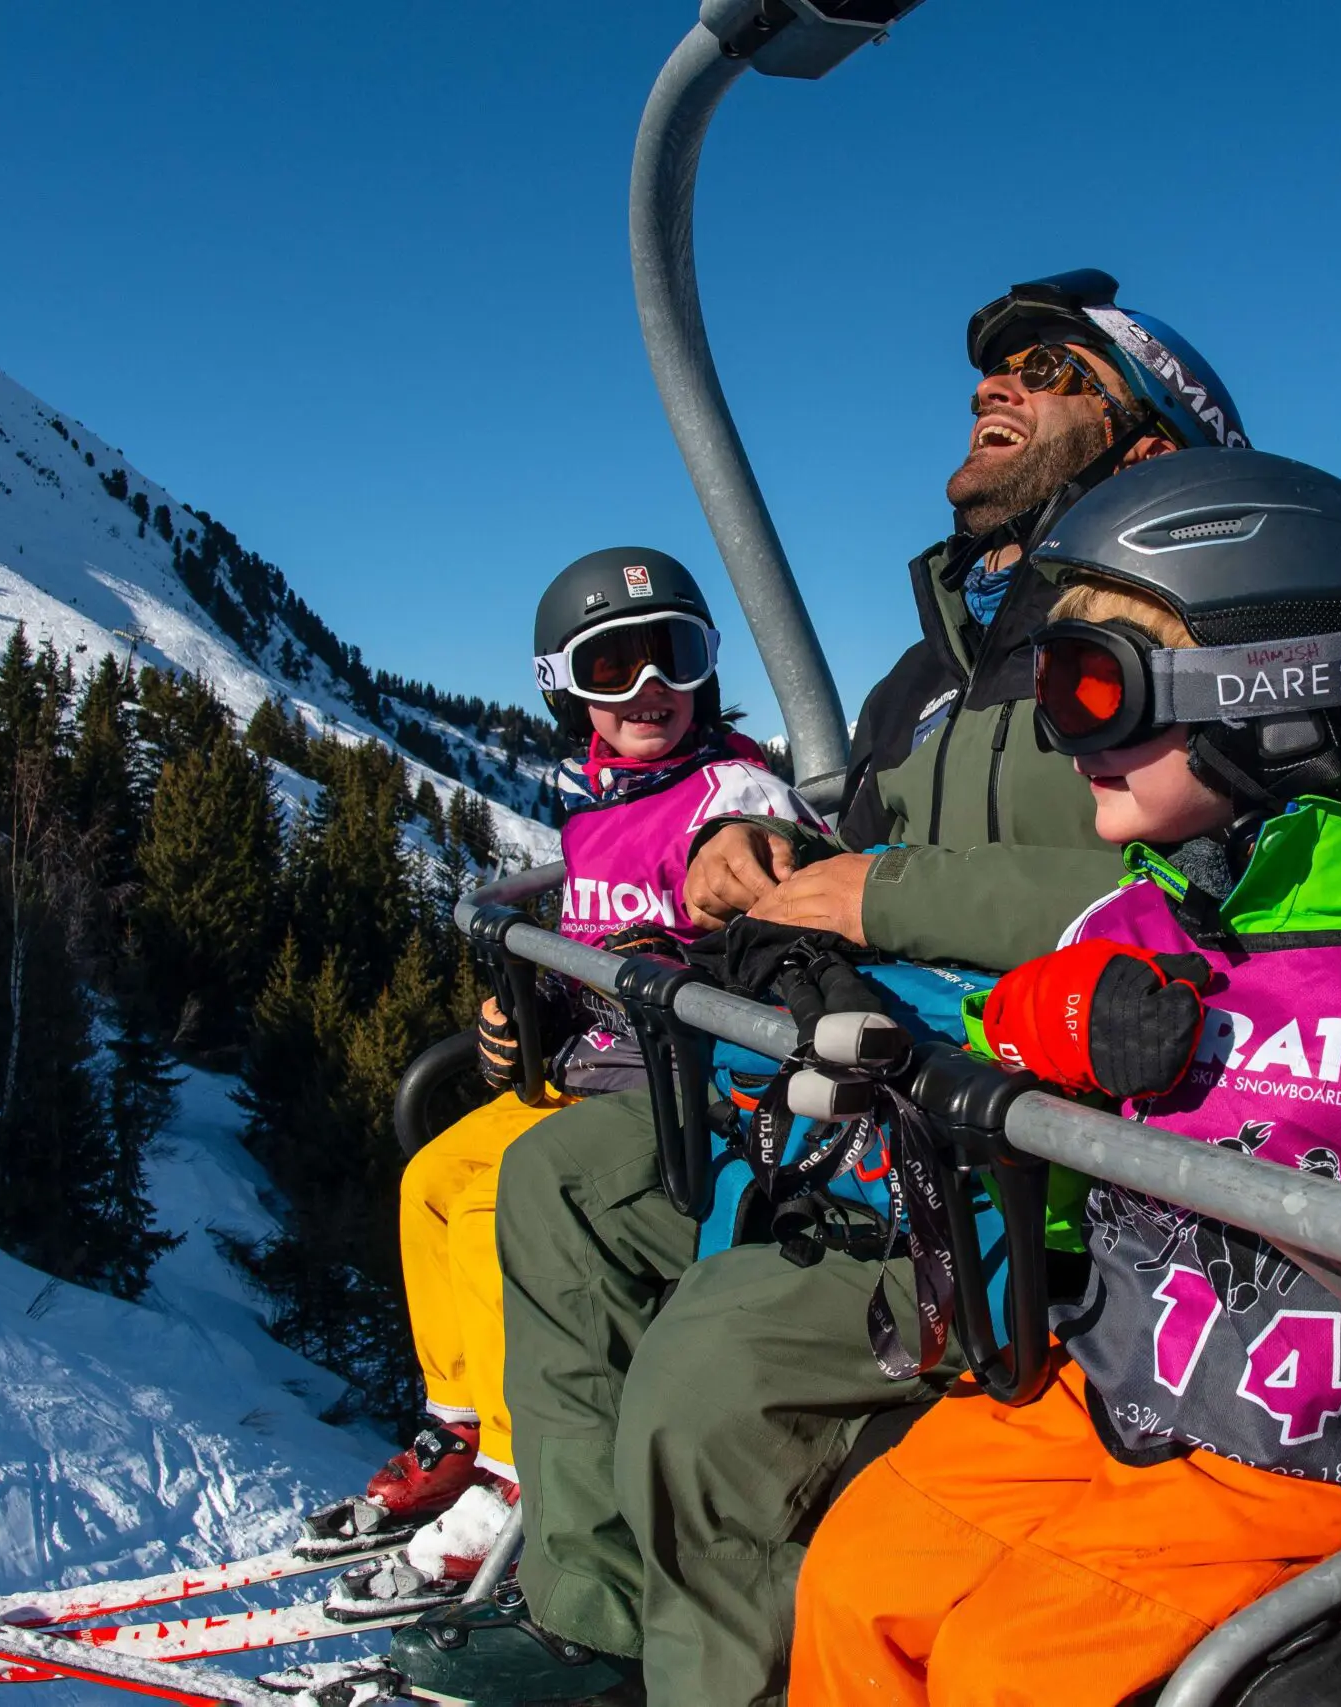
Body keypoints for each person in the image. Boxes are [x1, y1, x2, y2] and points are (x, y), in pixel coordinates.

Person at [398, 273, 1252, 1707]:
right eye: (992, 365)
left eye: (1049, 369)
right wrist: (771, 850)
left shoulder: (1162, 643)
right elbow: (868, 834)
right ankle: (598, 1618)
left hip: (1017, 1127)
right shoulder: (940, 662)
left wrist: (878, 891)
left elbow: (1202, 899)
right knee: (556, 1183)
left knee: (703, 1379)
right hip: (854, 1067)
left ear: (1152, 446)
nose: (996, 385)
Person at [790, 446, 1341, 1705]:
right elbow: (1000, 1079)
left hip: (1307, 1457)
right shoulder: (1133, 924)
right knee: (858, 1575)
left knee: (1009, 1670)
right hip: (1108, 1386)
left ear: (1276, 696)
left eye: (1093, 690)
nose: (1058, 734)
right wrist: (1052, 1028)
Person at [335, 547, 820, 1603]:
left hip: (688, 1085)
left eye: (674, 660)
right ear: (567, 689)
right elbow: (587, 932)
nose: (649, 690)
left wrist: (720, 901)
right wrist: (536, 1000)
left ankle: (520, 1472)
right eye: (614, 668)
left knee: (505, 1200)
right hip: (602, 1066)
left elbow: (774, 866)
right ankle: (457, 1421)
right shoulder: (598, 802)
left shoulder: (729, 786)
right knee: (432, 1181)